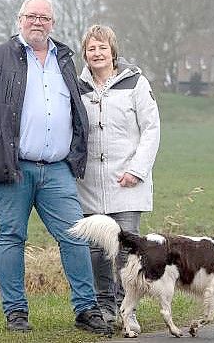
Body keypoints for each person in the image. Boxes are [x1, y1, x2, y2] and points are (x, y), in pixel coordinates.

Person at [0, 0, 113, 335]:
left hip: (58, 168)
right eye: (31, 16)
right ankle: (16, 312)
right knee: (11, 237)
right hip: (12, 167)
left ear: (53, 24)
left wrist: (75, 150)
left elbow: (75, 109)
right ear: (19, 20)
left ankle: (86, 310)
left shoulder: (64, 60)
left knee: (76, 236)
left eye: (44, 18)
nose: (37, 22)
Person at [76, 24, 161, 331]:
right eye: (91, 48)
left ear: (113, 51)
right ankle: (103, 306)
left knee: (127, 249)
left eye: (102, 48)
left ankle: (127, 308)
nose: (97, 53)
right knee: (96, 248)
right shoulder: (78, 86)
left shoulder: (135, 83)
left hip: (127, 181)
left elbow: (151, 129)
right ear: (84, 54)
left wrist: (136, 170)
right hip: (90, 183)